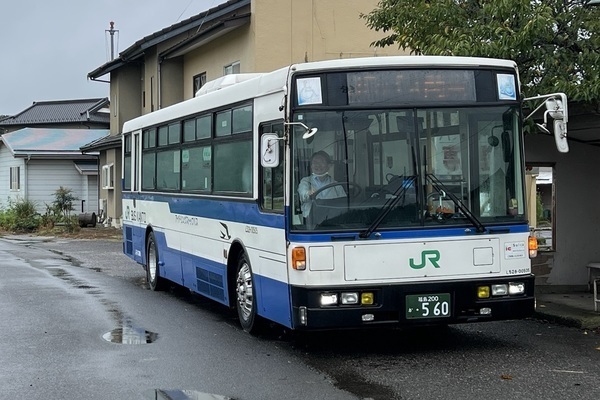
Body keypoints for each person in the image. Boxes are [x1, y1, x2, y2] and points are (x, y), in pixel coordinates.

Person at [297, 151, 346, 218]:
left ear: (328, 166)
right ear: (311, 166)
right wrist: (308, 193)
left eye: (322, 162)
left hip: (333, 220)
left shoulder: (336, 185)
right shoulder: (306, 181)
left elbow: (344, 203)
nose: (318, 165)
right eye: (315, 162)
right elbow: (303, 194)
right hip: (311, 221)